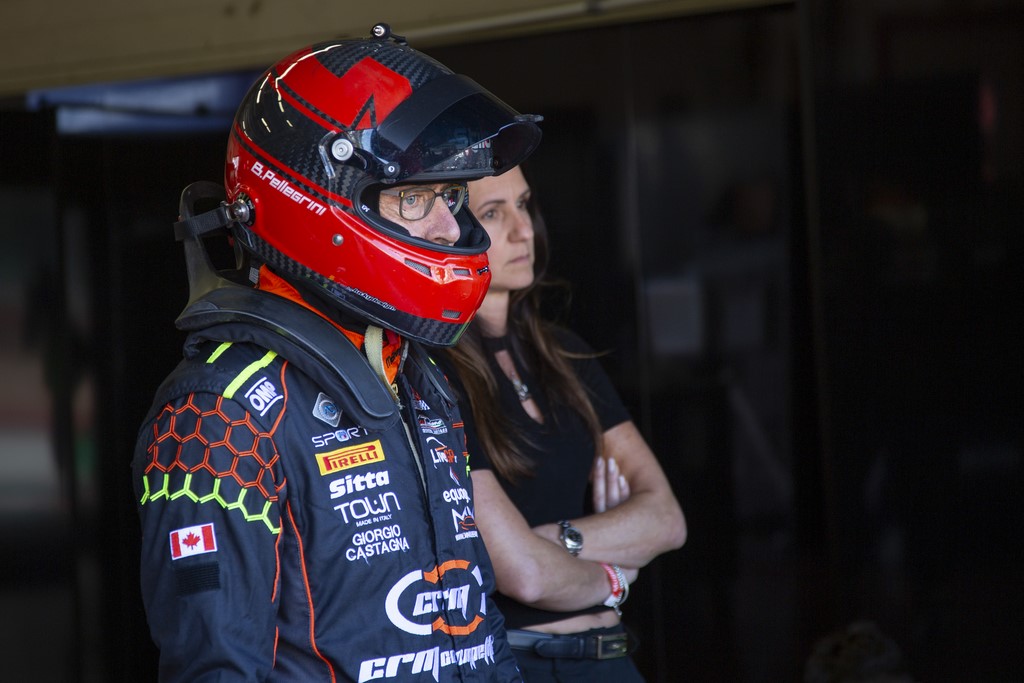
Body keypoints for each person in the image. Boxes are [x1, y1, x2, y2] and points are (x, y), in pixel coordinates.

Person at [131, 24, 543, 682]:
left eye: (452, 197)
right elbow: (216, 667)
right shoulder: (220, 414)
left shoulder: (419, 378)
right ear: (315, 204)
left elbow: (474, 625)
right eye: (415, 198)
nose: (449, 228)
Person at [439, 166, 687, 682]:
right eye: (493, 213)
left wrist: (555, 538)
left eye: (524, 204)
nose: (523, 230)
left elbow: (666, 520)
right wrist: (617, 573)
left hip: (610, 654)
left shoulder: (564, 354)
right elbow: (523, 575)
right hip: (519, 660)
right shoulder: (436, 373)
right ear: (448, 230)